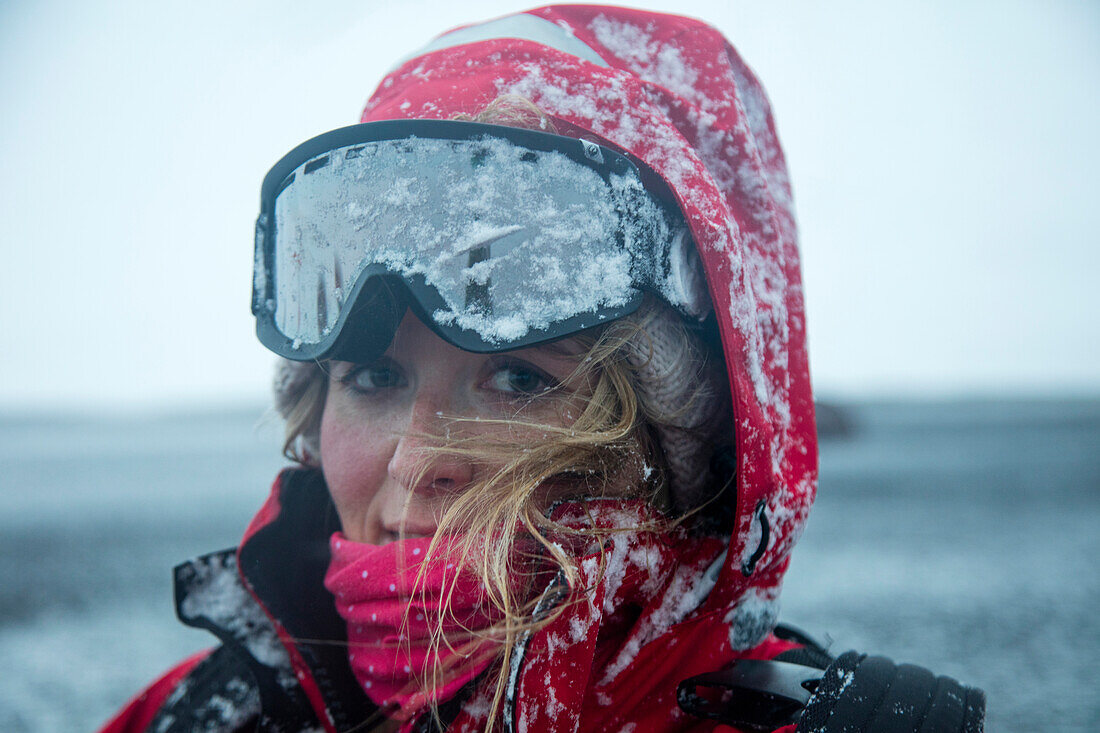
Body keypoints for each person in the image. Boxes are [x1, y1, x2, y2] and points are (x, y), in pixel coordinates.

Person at [100, 6, 985, 733]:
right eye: (373, 377)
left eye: (519, 379)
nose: (417, 462)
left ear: (678, 439)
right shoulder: (191, 715)